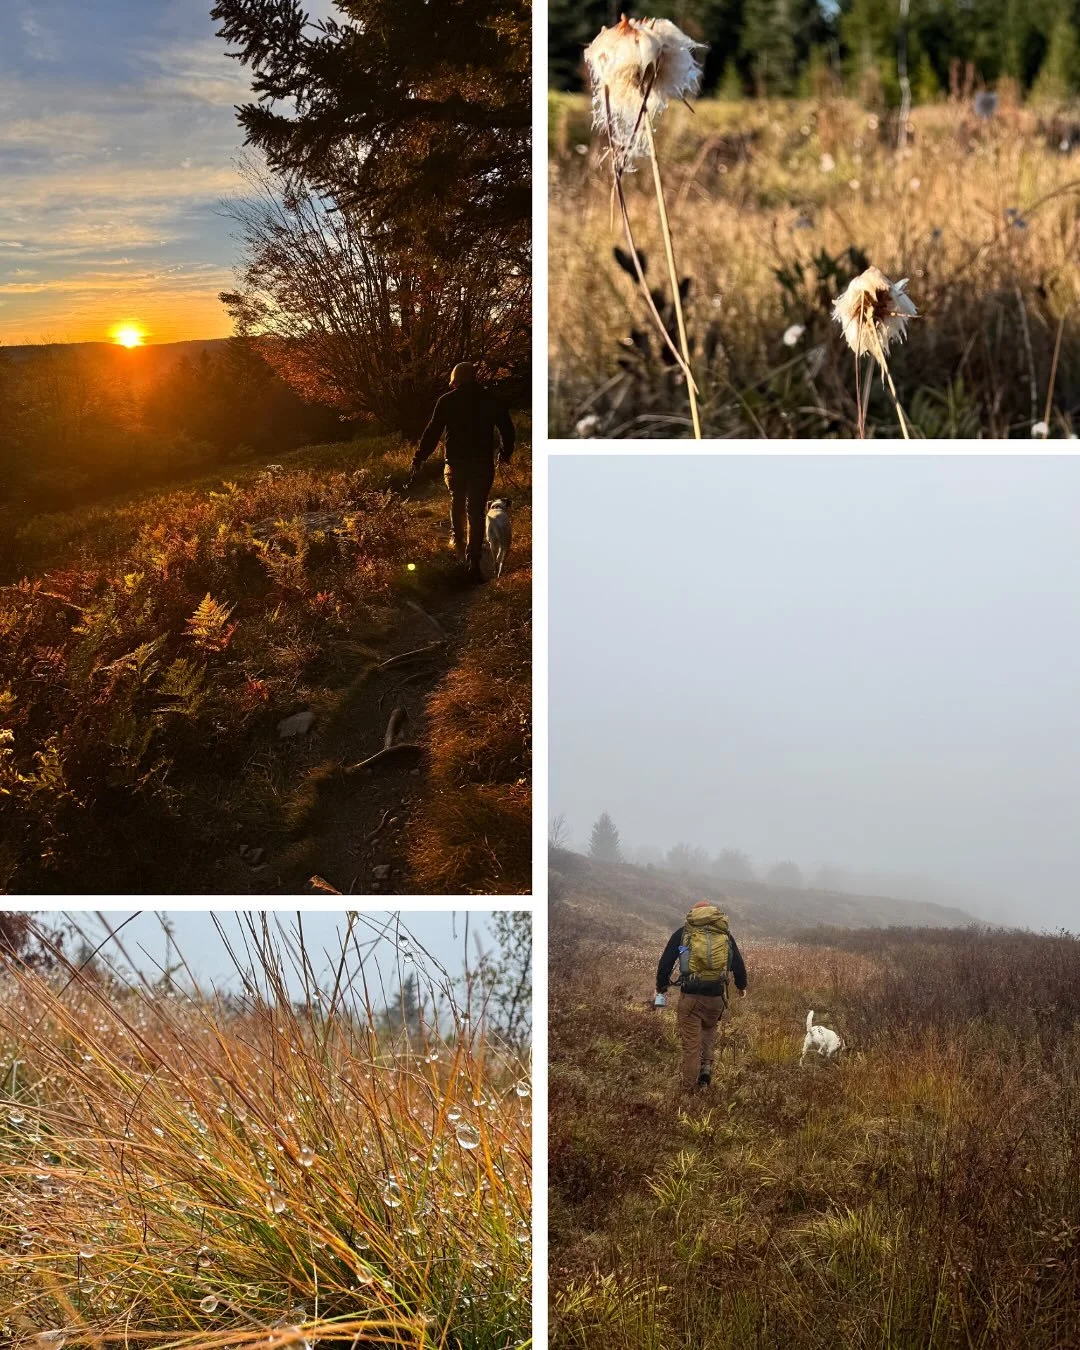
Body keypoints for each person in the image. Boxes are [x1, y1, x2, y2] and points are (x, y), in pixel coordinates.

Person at [411, 363, 515, 582]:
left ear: (455, 379)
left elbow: (432, 432)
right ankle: (474, 560)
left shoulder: (447, 400)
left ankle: (458, 544)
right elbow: (507, 427)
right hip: (481, 464)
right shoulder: (489, 399)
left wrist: (420, 457)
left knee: (457, 502)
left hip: (455, 464)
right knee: (476, 510)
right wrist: (505, 453)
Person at [654, 902, 747, 1092]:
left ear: (694, 914)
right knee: (709, 1030)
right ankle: (705, 1072)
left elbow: (665, 962)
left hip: (691, 996)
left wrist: (661, 987)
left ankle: (689, 1091)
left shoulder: (684, 932)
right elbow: (737, 963)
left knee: (691, 1045)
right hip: (716, 996)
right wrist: (741, 986)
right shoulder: (724, 934)